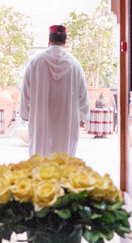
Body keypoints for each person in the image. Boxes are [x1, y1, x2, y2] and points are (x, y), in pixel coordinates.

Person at [19, 24, 90, 158]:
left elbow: (25, 90)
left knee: (40, 154)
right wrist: (83, 116)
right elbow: (83, 93)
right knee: (65, 154)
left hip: (41, 117)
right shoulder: (75, 64)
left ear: (49, 40)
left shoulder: (35, 62)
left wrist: (24, 113)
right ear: (65, 42)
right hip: (66, 117)